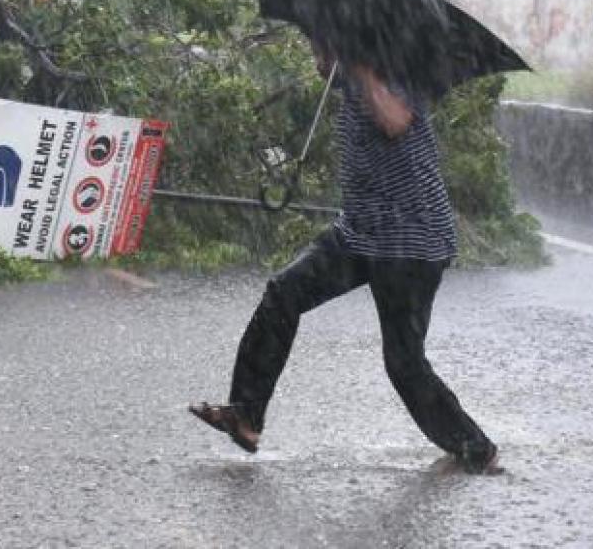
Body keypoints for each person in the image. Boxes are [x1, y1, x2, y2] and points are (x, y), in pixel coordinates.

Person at [189, 44, 499, 474]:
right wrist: (344, 66)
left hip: (410, 240)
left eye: (323, 49)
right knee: (284, 293)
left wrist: (359, 65)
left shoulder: (392, 68)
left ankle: (475, 448)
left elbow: (396, 121)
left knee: (404, 363)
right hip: (361, 232)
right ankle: (246, 415)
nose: (318, 60)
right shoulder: (354, 78)